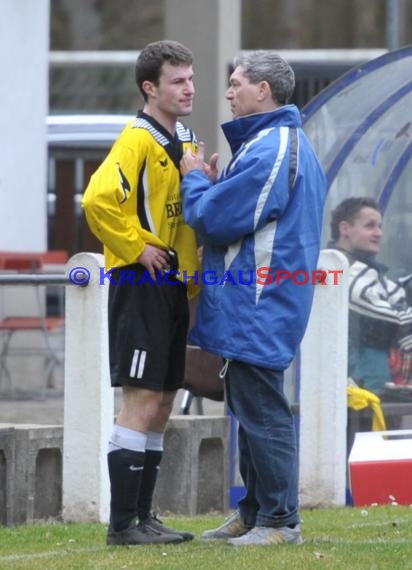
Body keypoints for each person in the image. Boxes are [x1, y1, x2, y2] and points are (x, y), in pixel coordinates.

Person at [180, 50, 326, 546]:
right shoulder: (271, 144)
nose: (227, 91)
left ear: (264, 91)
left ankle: (281, 522)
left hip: (260, 304)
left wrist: (196, 178)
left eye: (236, 83)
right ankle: (254, 512)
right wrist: (221, 188)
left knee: (263, 412)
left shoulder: (274, 146)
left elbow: (217, 218)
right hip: (257, 302)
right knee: (251, 407)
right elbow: (247, 215)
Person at [82, 40, 200, 546]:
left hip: (173, 287)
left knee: (164, 398)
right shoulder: (136, 140)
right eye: (178, 80)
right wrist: (137, 247)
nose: (189, 88)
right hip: (141, 283)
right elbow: (97, 199)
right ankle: (121, 526)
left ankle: (144, 518)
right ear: (150, 88)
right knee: (141, 398)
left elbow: (184, 212)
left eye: (191, 78)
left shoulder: (187, 139)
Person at [328, 197, 412, 395]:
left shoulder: (372, 273)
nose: (379, 233)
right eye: (370, 226)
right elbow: (392, 317)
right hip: (355, 384)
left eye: (380, 226)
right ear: (345, 229)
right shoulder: (337, 268)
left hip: (374, 382)